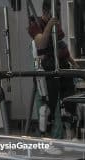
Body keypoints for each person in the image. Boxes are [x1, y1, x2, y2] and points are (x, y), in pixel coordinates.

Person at [28, 0, 79, 139]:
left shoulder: (57, 24)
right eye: (53, 11)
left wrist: (74, 64)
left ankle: (71, 139)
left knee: (69, 104)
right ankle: (47, 141)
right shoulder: (35, 25)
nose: (56, 15)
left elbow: (62, 46)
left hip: (62, 66)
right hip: (47, 68)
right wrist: (50, 25)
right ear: (46, 10)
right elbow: (41, 44)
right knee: (47, 108)